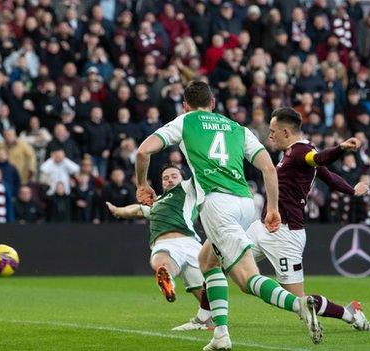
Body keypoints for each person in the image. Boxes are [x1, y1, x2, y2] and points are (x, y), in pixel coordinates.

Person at [135, 81, 322, 350]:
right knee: (207, 259)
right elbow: (268, 168)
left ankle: (300, 304)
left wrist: (142, 183)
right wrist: (271, 208)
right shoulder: (238, 128)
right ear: (213, 104)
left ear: (186, 105)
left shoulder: (185, 121)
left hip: (216, 203)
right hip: (245, 203)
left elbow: (143, 150)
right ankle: (220, 333)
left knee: (246, 279)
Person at [245, 107, 370, 332]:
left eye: (273, 131)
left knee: (300, 302)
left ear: (286, 132)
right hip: (263, 227)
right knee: (226, 259)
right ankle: (207, 318)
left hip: (285, 234)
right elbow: (330, 177)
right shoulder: (291, 154)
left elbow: (319, 158)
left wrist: (341, 148)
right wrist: (352, 190)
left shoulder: (301, 152)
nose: (270, 135)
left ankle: (350, 314)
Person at [106, 164, 213, 331]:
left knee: (206, 289)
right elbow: (136, 210)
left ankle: (206, 321)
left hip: (190, 243)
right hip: (165, 243)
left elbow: (200, 169)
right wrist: (118, 211)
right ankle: (167, 278)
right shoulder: (156, 203)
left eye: (173, 176)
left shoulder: (188, 189)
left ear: (182, 178)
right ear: (161, 182)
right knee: (161, 261)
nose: (169, 179)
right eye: (165, 178)